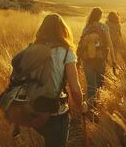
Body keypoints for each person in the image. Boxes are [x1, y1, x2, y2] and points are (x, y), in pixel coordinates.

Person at [33, 14, 87, 147]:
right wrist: (82, 106)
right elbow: (74, 89)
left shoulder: (31, 49)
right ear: (62, 29)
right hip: (56, 114)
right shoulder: (66, 52)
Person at [77, 7, 116, 101]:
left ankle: (89, 109)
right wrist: (114, 60)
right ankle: (98, 107)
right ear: (100, 16)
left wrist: (78, 60)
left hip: (87, 60)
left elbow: (81, 44)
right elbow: (110, 43)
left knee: (91, 87)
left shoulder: (86, 28)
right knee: (100, 85)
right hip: (100, 59)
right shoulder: (103, 27)